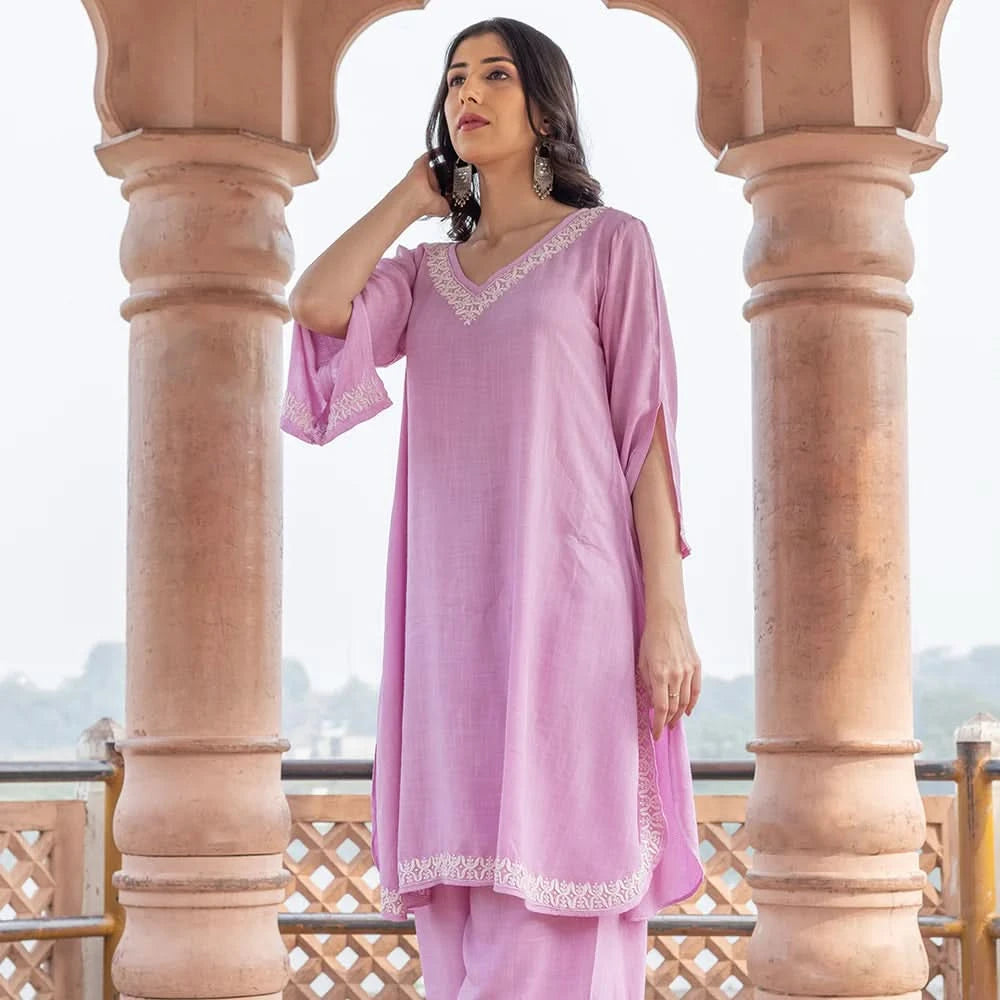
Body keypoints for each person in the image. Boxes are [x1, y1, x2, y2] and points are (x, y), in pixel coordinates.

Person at [281, 16, 705, 999]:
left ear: (544, 105)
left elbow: (646, 438)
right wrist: (408, 196)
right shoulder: (423, 277)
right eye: (454, 77)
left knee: (565, 876)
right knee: (465, 898)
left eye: (495, 75)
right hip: (449, 628)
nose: (467, 91)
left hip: (574, 606)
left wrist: (668, 615)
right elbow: (314, 306)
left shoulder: (609, 246)